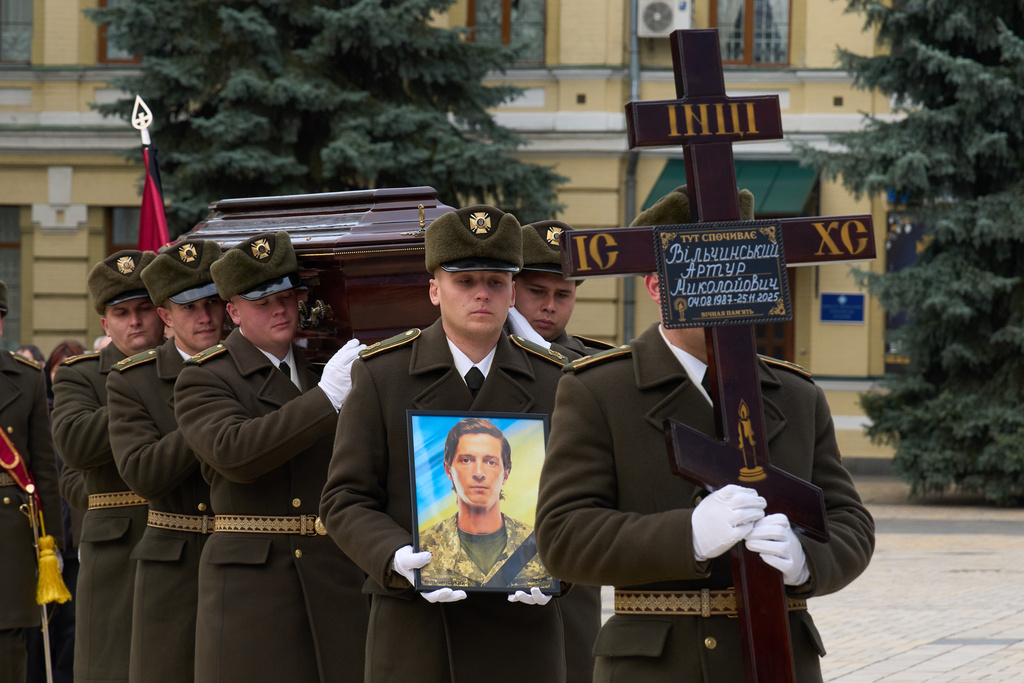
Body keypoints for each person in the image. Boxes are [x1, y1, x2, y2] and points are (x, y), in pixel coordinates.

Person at [535, 187, 875, 682]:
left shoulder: (795, 394)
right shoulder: (601, 390)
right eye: (710, 272)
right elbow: (563, 537)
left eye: (745, 270)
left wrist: (807, 561)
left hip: (779, 657)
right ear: (656, 286)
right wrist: (687, 534)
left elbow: (850, 522)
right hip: (657, 664)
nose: (730, 287)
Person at [320, 205, 570, 683]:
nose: (482, 293)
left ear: (512, 292)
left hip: (522, 635)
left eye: (496, 281)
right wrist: (395, 557)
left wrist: (560, 569)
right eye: (464, 280)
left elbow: (578, 501)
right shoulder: (382, 375)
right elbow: (344, 499)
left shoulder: (555, 379)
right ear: (435, 289)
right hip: (416, 632)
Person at [173, 231, 369, 683]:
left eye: (288, 295)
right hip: (253, 582)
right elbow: (234, 453)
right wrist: (324, 400)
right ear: (234, 311)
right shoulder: (206, 377)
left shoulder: (324, 369)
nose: (281, 309)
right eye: (263, 302)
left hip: (332, 570)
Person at [106, 240, 226, 683]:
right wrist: (205, 422)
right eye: (189, 306)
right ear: (165, 316)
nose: (205, 316)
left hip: (244, 560)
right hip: (175, 562)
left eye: (213, 302)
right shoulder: (133, 381)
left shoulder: (249, 369)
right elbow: (143, 474)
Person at [51, 250, 165, 683]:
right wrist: (144, 393)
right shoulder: (80, 377)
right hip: (118, 543)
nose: (135, 322)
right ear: (105, 324)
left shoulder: (196, 369)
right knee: (111, 663)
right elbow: (75, 449)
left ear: (161, 313)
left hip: (186, 533)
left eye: (143, 309)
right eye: (121, 313)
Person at [0, 279, 64, 683]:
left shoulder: (26, 379)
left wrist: (51, 544)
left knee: (7, 650)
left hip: (7, 539)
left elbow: (44, 470)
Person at [418, 417, 552, 589]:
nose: (479, 473)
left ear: (506, 473)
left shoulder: (538, 545)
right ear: (448, 470)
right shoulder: (424, 547)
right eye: (466, 460)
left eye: (491, 462)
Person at [26, 340, 87, 683]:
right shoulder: (41, 418)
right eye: (57, 373)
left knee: (74, 630)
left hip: (78, 543)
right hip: (48, 544)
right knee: (42, 630)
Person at [506, 219, 614, 356]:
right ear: (512, 290)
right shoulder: (482, 354)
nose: (550, 306)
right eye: (537, 292)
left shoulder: (594, 364)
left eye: (562, 295)